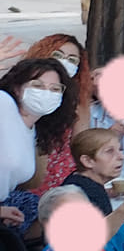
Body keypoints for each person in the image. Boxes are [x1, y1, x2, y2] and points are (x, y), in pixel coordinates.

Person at [0, 56, 73, 225]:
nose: (46, 93)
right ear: (17, 88)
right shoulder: (4, 105)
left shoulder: (33, 132)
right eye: (37, 86)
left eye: (55, 89)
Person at [22, 33, 91, 189]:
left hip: (63, 176)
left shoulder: (78, 100)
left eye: (72, 59)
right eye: (58, 54)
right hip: (24, 174)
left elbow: (81, 144)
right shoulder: (22, 90)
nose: (64, 61)